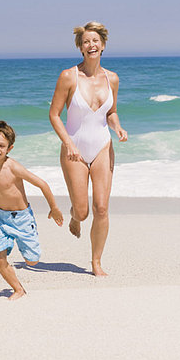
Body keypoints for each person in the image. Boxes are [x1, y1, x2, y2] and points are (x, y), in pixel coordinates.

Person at [49, 21, 127, 276]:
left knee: (102, 208)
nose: (91, 45)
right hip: (75, 149)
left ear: (103, 45)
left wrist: (118, 128)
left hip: (103, 146)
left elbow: (111, 112)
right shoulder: (68, 76)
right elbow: (54, 115)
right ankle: (74, 215)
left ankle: (96, 262)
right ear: (80, 47)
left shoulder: (112, 78)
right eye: (86, 42)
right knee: (82, 212)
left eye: (95, 41)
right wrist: (68, 143)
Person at [0, 121, 63, 301]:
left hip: (22, 218)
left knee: (32, 260)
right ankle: (18, 289)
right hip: (0, 218)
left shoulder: (13, 167)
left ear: (9, 148)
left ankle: (20, 246)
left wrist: (54, 208)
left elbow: (42, 184)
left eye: (1, 146)